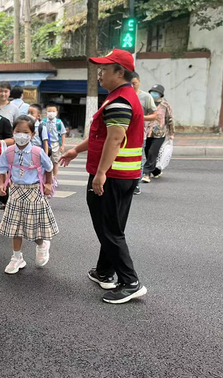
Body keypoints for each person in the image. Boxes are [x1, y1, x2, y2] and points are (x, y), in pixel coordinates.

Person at [60, 49, 147, 304]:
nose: (100, 74)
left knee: (109, 229)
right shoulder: (120, 97)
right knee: (112, 226)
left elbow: (116, 138)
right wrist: (76, 149)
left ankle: (130, 282)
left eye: (104, 69)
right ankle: (105, 272)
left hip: (113, 175)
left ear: (120, 73)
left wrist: (100, 174)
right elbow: (102, 136)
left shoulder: (120, 101)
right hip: (122, 174)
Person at [0, 115, 58, 274]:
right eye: (18, 131)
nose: (21, 135)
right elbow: (1, 168)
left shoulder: (37, 152)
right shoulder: (9, 151)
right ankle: (17, 257)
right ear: (13, 132)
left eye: (25, 132)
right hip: (16, 191)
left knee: (34, 227)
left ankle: (41, 244)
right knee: (15, 228)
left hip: (34, 192)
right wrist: (2, 184)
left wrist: (49, 184)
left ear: (32, 135)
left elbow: (49, 168)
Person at [131, 73, 158, 194]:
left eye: (134, 83)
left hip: (139, 133)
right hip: (123, 133)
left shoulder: (146, 97)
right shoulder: (123, 95)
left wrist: (140, 117)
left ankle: (136, 184)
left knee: (138, 159)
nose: (132, 86)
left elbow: (154, 115)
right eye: (129, 83)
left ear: (139, 82)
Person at [142, 84, 174, 183]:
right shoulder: (148, 103)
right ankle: (156, 171)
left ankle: (146, 174)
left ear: (160, 94)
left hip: (160, 133)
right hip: (147, 132)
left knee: (152, 152)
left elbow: (170, 119)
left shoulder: (165, 105)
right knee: (147, 152)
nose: (153, 94)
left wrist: (171, 133)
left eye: (156, 93)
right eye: (152, 92)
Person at [45, 104, 67, 178]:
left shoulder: (59, 122)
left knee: (55, 162)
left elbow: (63, 134)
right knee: (46, 161)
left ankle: (54, 178)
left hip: (55, 144)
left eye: (53, 111)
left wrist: (63, 145)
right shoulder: (43, 122)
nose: (51, 113)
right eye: (49, 111)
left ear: (56, 112)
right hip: (46, 144)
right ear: (46, 112)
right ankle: (47, 178)